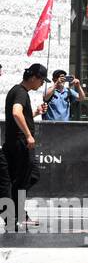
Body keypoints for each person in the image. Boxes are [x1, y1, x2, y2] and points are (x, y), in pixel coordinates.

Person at [3, 63, 48, 232]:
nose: (42, 84)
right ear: (34, 78)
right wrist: (29, 135)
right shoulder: (20, 92)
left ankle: (17, 213)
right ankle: (18, 216)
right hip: (21, 143)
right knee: (27, 177)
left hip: (16, 142)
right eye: (42, 80)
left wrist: (35, 112)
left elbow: (20, 114)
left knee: (25, 178)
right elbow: (16, 112)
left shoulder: (19, 92)